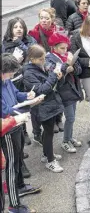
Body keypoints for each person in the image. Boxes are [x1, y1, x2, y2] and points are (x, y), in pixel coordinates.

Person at [2, 54, 41, 213]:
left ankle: (20, 186)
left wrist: (27, 96)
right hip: (7, 130)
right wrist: (24, 109)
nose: (12, 76)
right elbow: (5, 111)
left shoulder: (6, 80)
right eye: (10, 72)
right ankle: (14, 205)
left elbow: (17, 94)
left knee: (18, 160)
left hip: (17, 124)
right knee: (11, 166)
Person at [23, 45, 65, 172]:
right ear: (32, 58)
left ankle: (47, 154)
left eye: (43, 58)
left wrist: (58, 77)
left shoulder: (40, 66)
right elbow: (42, 90)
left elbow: (52, 85)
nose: (44, 61)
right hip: (41, 107)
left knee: (49, 133)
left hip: (49, 104)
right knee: (48, 133)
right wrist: (53, 76)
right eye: (41, 59)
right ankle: (50, 160)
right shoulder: (28, 73)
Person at [45, 33, 83, 154]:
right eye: (62, 48)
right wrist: (67, 65)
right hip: (63, 92)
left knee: (72, 117)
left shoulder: (68, 55)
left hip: (73, 89)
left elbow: (79, 69)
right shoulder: (49, 58)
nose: (65, 50)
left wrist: (74, 68)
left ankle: (69, 137)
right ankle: (65, 141)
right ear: (54, 48)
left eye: (66, 47)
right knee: (70, 117)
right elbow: (53, 71)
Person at [2, 17, 37, 146]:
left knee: (30, 105)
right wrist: (14, 59)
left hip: (27, 77)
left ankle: (35, 131)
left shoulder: (29, 40)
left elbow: (34, 54)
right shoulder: (5, 44)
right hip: (13, 80)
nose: (18, 29)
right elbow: (4, 62)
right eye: (15, 27)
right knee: (16, 107)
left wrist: (20, 44)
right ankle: (23, 133)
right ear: (10, 29)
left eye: (21, 27)